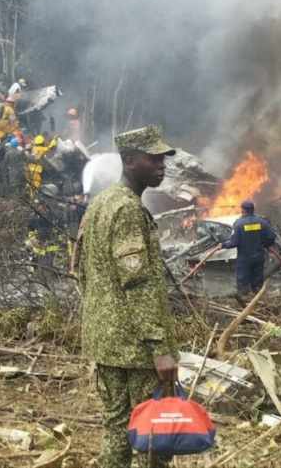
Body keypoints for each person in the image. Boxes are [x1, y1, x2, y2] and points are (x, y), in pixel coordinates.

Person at [76, 124, 179, 467]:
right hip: (136, 350)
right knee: (152, 440)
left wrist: (100, 320)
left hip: (105, 343)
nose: (162, 166)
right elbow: (138, 284)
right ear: (131, 161)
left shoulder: (100, 204)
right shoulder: (129, 211)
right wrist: (160, 349)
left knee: (117, 429)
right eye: (155, 159)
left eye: (164, 159)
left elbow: (81, 270)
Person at [220, 200, 276, 296]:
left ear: (242, 210)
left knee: (243, 282)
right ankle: (258, 300)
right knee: (257, 281)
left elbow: (234, 242)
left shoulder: (239, 224)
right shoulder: (262, 222)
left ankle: (243, 301)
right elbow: (271, 237)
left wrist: (223, 245)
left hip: (244, 259)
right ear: (253, 210)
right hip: (259, 257)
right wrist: (264, 244)